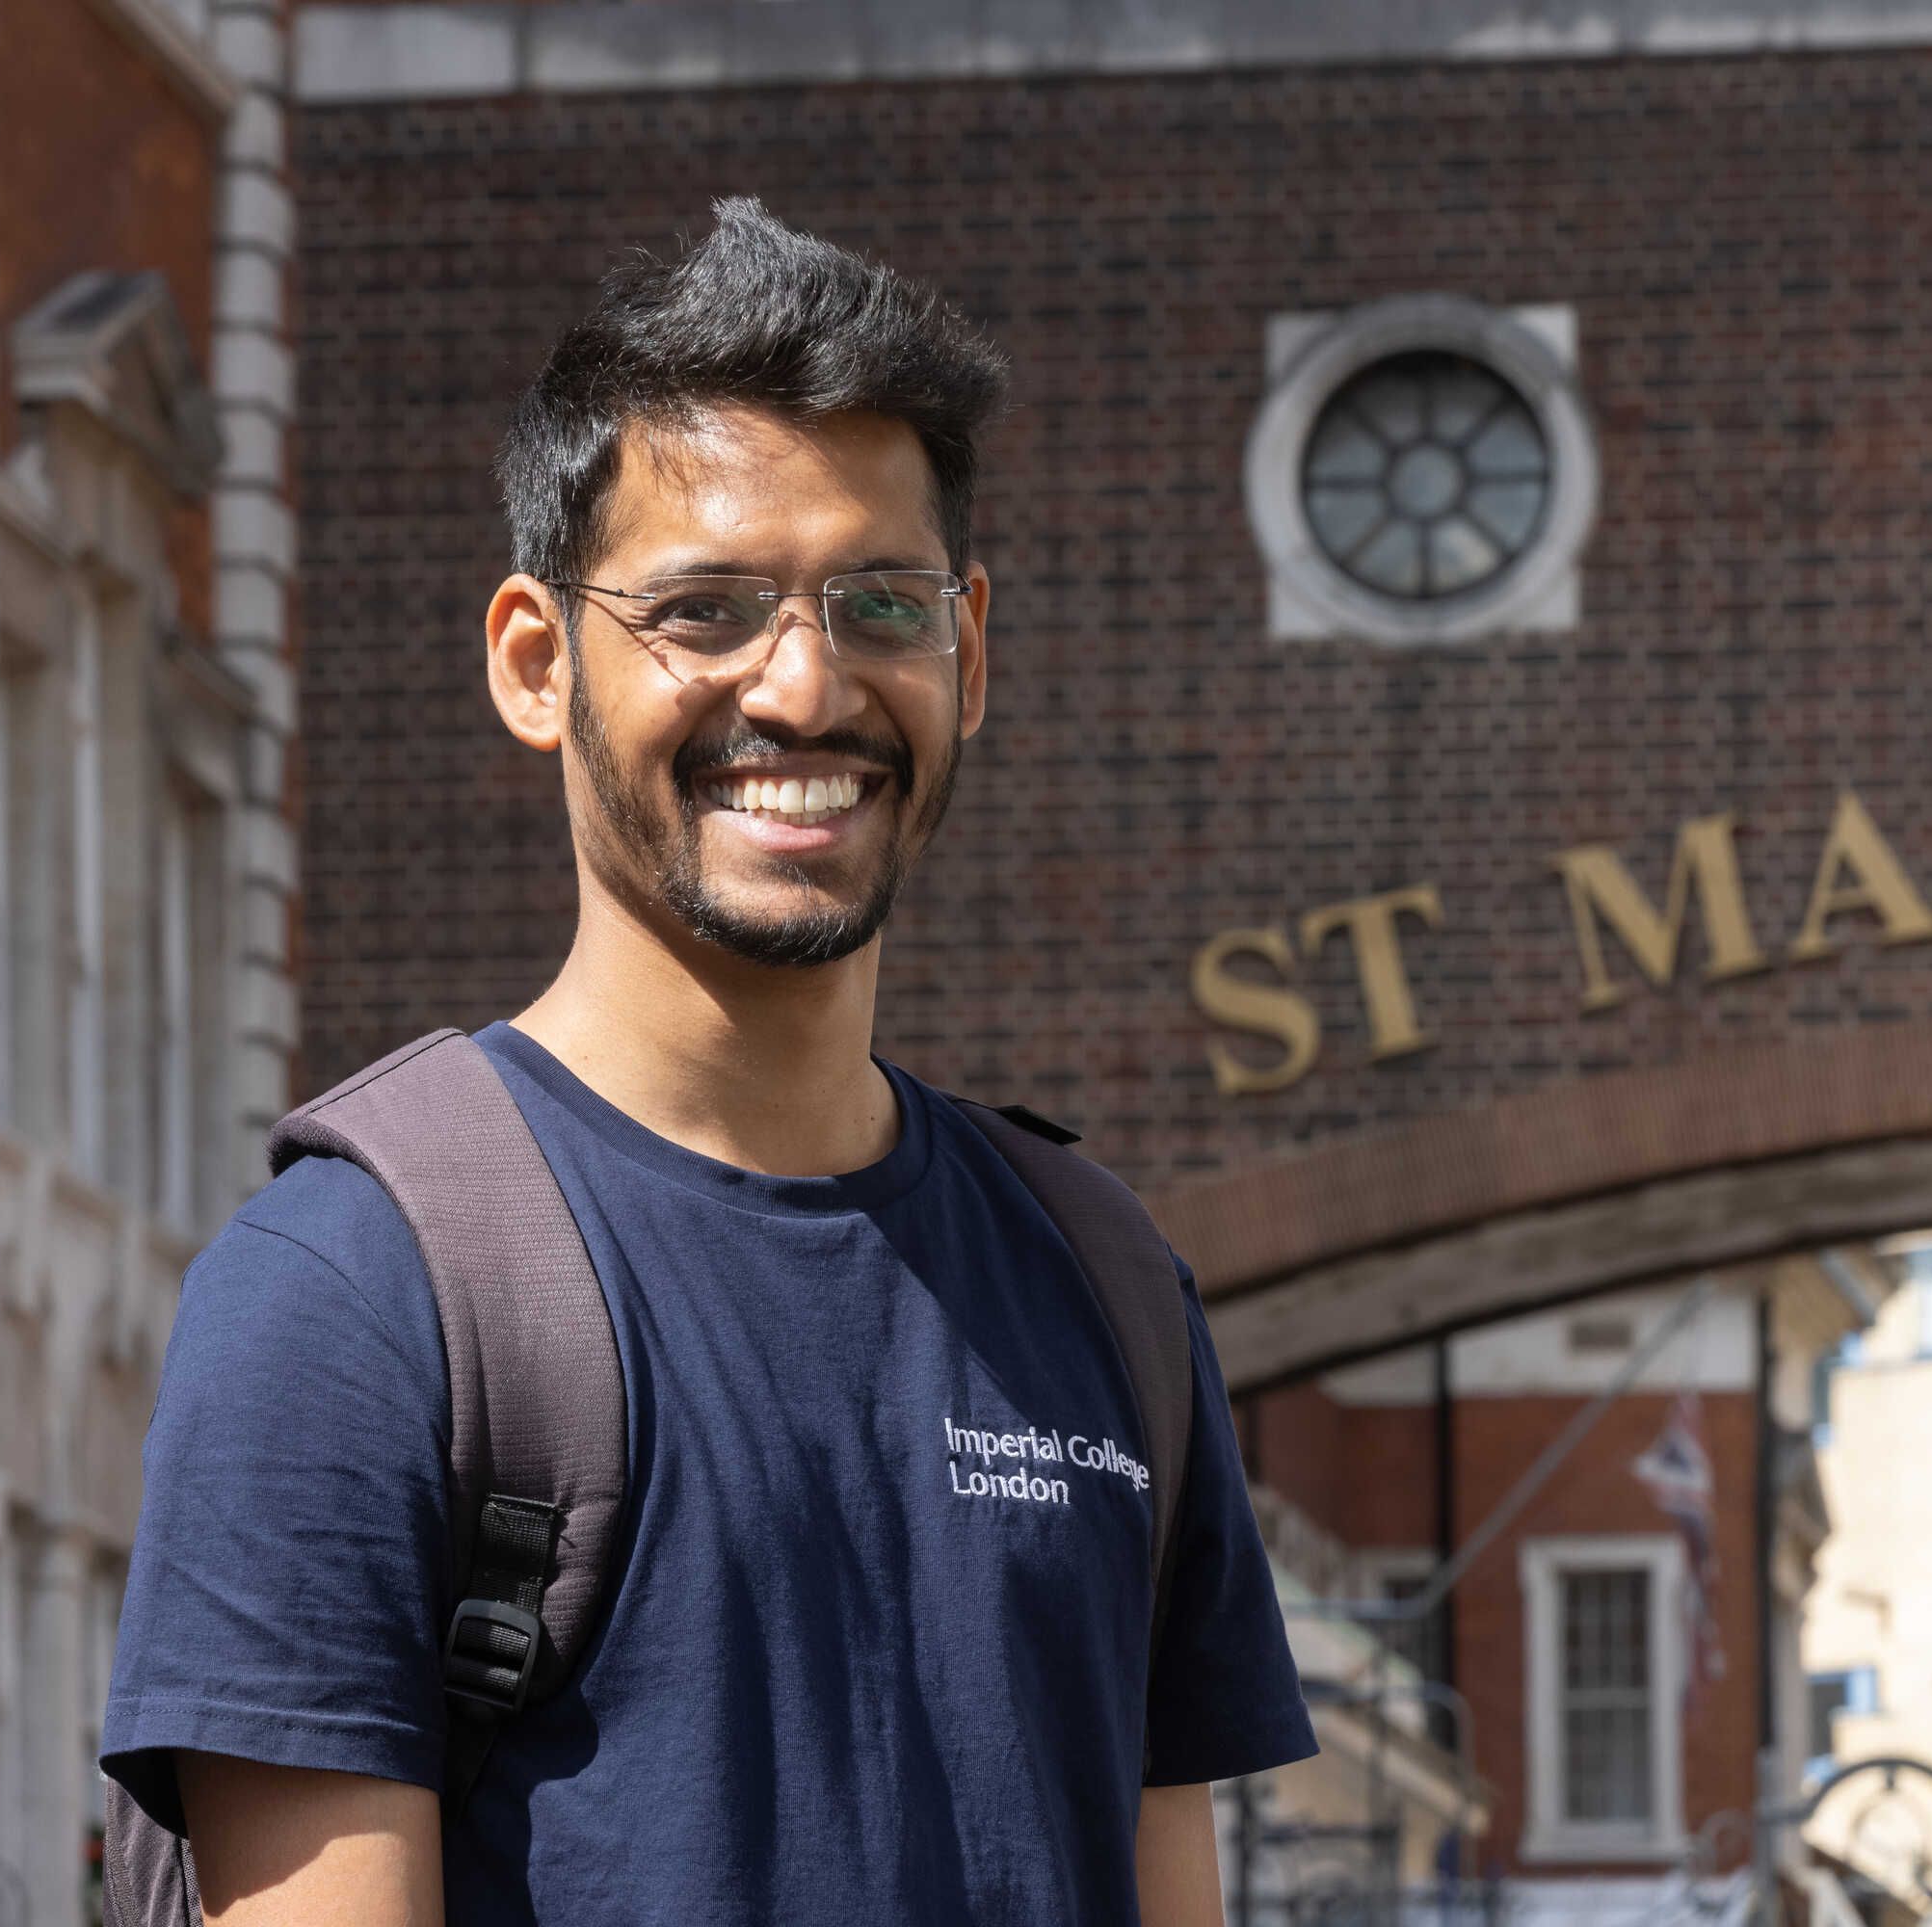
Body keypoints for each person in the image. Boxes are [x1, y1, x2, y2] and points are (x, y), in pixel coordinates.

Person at [99, 199, 1317, 1924]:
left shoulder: (1106, 1287)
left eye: (880, 602)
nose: (807, 687)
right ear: (538, 662)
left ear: (970, 649)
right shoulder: (357, 1295)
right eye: (707, 608)